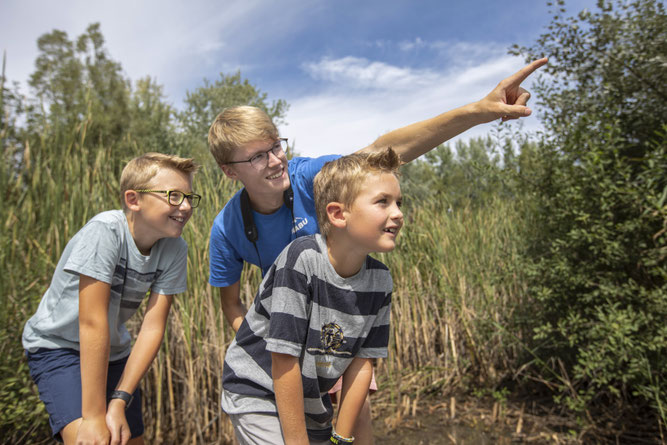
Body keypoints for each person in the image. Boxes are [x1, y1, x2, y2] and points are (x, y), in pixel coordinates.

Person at [208, 57, 548, 443]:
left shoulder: (308, 179)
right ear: (229, 171)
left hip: (334, 327)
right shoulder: (227, 228)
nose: (275, 161)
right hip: (280, 344)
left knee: (358, 414)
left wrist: (476, 112)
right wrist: (278, 342)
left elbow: (381, 156)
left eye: (275, 146)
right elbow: (232, 306)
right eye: (257, 157)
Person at [221, 148, 403, 444]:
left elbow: (361, 364)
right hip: (257, 391)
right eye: (383, 202)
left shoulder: (380, 280)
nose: (398, 213)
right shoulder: (301, 259)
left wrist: (341, 439)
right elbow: (283, 359)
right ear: (338, 214)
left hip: (310, 400)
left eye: (398, 202)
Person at [22, 153, 201, 445]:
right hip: (58, 347)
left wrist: (119, 400)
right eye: (174, 196)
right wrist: (94, 417)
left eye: (190, 197)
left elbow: (153, 327)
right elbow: (92, 322)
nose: (186, 206)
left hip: (115, 353)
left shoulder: (175, 248)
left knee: (127, 438)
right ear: (134, 200)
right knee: (94, 438)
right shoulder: (105, 231)